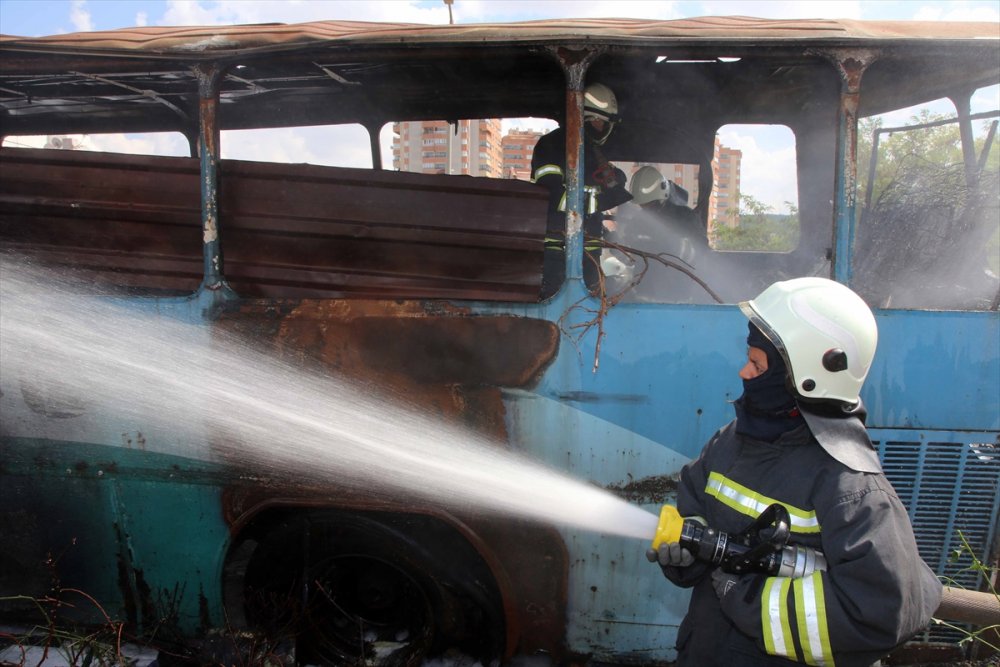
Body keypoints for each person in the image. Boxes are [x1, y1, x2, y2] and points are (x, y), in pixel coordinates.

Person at [647, 277, 941, 667]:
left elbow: (878, 613)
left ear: (801, 378)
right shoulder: (733, 441)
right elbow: (694, 505)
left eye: (757, 363)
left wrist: (746, 597)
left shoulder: (851, 488)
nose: (743, 373)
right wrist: (689, 554)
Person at [531, 83, 632, 299]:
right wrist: (600, 201)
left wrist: (617, 181)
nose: (601, 128)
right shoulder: (552, 146)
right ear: (587, 118)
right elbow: (549, 196)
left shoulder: (590, 151)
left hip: (589, 253)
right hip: (556, 252)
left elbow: (606, 181)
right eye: (600, 122)